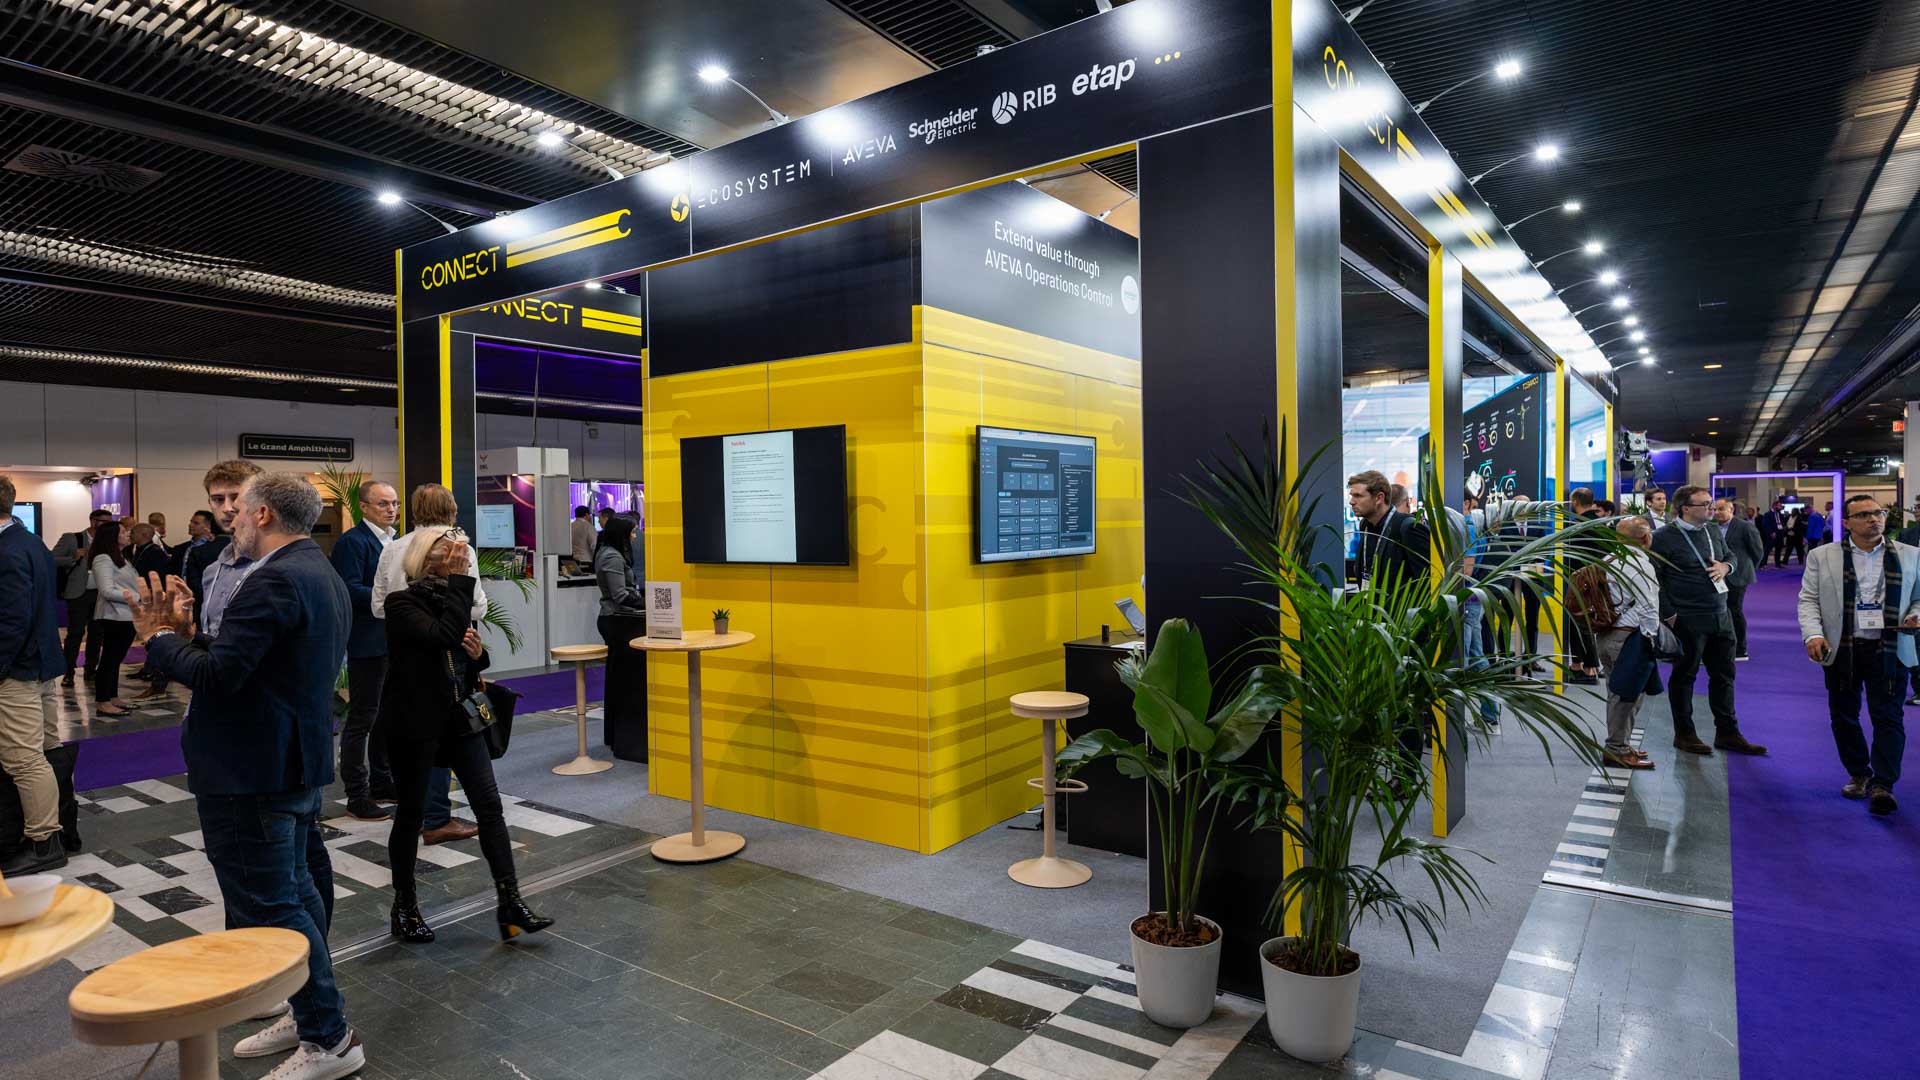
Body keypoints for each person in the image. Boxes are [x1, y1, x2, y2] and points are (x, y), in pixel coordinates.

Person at [128, 472, 366, 1077]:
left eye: (240, 508)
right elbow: (255, 660)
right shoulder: (318, 570)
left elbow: (220, 679)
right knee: (294, 895)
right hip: (287, 762)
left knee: (272, 904)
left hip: (251, 770)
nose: (229, 517)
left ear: (263, 515)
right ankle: (312, 1016)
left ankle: (329, 1038)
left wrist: (159, 639)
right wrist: (191, 636)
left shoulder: (275, 579)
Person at [381, 525, 553, 945]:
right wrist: (460, 584)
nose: (459, 556)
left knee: (489, 808)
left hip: (458, 720)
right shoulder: (401, 603)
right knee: (411, 814)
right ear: (425, 559)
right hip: (414, 724)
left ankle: (510, 902)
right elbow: (441, 636)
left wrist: (479, 655)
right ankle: (405, 907)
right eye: (448, 551)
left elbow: (461, 657)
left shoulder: (455, 599)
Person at [372, 484, 485, 847]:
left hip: (402, 656)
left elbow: (378, 605)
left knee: (411, 732)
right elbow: (477, 605)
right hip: (446, 654)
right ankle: (436, 817)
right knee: (446, 732)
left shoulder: (392, 548)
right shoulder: (459, 548)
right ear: (452, 510)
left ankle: (415, 811)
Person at [1798, 493, 1916, 817]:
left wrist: (1916, 615)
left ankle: (1883, 785)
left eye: (1877, 513)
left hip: (1890, 649)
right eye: (1864, 515)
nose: (1874, 519)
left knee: (1889, 717)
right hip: (1842, 648)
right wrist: (1813, 634)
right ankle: (1859, 773)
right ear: (1846, 522)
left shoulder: (1910, 555)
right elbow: (1808, 599)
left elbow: (1919, 598)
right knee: (1843, 716)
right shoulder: (1822, 556)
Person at [1652, 485, 1767, 756]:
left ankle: (1728, 733)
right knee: (1684, 676)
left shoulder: (1712, 530)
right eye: (1705, 504)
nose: (1711, 508)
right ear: (1685, 508)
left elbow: (1730, 556)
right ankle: (1684, 733)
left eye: (1711, 503)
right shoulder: (1663, 537)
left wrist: (1726, 567)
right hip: (1687, 617)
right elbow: (1654, 579)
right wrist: (1670, 614)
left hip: (1720, 614)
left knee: (1724, 676)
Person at [0, 475, 72, 875]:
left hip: (17, 670)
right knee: (46, 748)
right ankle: (61, 828)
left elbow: (12, 620)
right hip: (41, 664)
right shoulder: (31, 542)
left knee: (22, 758)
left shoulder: (7, 551)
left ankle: (44, 841)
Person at [331, 481, 401, 822]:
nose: (391, 509)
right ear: (364, 507)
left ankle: (382, 782)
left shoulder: (393, 541)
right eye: (383, 504)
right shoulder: (353, 542)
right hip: (366, 643)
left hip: (392, 641)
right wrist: (392, 596)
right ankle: (356, 794)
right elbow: (347, 588)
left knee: (386, 716)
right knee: (362, 719)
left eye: (394, 503)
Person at [1595, 518, 1660, 771]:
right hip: (1629, 637)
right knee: (1627, 697)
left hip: (1607, 635)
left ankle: (1620, 744)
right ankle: (1617, 749)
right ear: (1645, 538)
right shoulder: (1640, 564)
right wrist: (1652, 639)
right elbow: (1648, 605)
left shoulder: (1609, 559)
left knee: (1619, 693)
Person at [595, 514, 649, 757]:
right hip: (617, 621)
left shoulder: (610, 553)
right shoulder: (612, 557)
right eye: (632, 532)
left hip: (618, 619)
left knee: (618, 677)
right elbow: (620, 595)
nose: (635, 536)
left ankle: (615, 734)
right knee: (623, 678)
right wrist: (649, 604)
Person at [185, 459, 265, 617]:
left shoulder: (277, 565)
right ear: (210, 503)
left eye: (236, 497)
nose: (228, 508)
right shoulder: (212, 572)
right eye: (218, 499)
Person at [51, 508, 112, 689]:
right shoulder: (72, 538)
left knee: (97, 634)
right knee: (76, 633)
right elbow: (51, 558)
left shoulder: (109, 542)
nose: (108, 527)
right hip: (78, 593)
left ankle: (90, 670)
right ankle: (68, 672)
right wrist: (72, 557)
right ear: (93, 521)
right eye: (105, 523)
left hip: (100, 593)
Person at [87, 521, 138, 718]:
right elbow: (107, 590)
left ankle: (113, 696)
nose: (128, 534)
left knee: (115, 660)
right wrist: (137, 597)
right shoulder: (103, 558)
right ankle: (103, 701)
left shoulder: (122, 557)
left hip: (126, 615)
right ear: (112, 536)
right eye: (123, 531)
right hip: (114, 616)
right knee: (109, 659)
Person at [1713, 498, 1765, 661]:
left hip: (1738, 576)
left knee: (1734, 610)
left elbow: (1757, 551)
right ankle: (1722, 645)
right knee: (1719, 610)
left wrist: (1746, 570)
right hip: (1717, 575)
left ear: (1731, 510)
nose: (1717, 512)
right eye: (1715, 509)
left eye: (1721, 509)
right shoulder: (1712, 527)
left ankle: (1740, 649)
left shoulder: (1745, 527)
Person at [126, 524, 173, 700]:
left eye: (133, 532)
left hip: (153, 600)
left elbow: (157, 577)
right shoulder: (137, 550)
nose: (130, 534)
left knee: (156, 637)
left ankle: (157, 674)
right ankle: (150, 669)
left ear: (144, 534)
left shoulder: (154, 552)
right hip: (144, 598)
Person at [1564, 488, 1605, 684]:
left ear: (1575, 501)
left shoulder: (1577, 526)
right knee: (1584, 624)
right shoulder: (1600, 523)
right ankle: (1579, 665)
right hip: (1597, 579)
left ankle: (1589, 669)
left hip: (1579, 581)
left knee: (1581, 625)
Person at [169, 509, 216, 578]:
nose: (190, 525)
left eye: (196, 523)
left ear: (208, 527)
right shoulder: (179, 549)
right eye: (191, 522)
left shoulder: (214, 549)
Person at [1758, 499, 1781, 567]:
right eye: (1779, 506)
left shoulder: (1779, 514)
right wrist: (1771, 532)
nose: (1780, 507)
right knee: (1767, 550)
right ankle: (1763, 564)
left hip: (1779, 534)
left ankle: (1778, 564)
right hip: (1771, 535)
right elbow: (1765, 525)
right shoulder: (1768, 514)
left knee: (1778, 550)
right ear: (1774, 506)